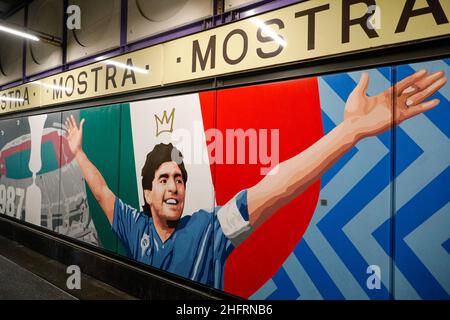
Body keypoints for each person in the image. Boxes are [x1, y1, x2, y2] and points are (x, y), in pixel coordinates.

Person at [64, 69, 447, 289]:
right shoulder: (135, 227)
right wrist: (79, 153)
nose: (174, 186)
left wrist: (348, 132)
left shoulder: (207, 230)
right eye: (163, 179)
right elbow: (101, 192)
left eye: (179, 178)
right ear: (147, 192)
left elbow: (273, 189)